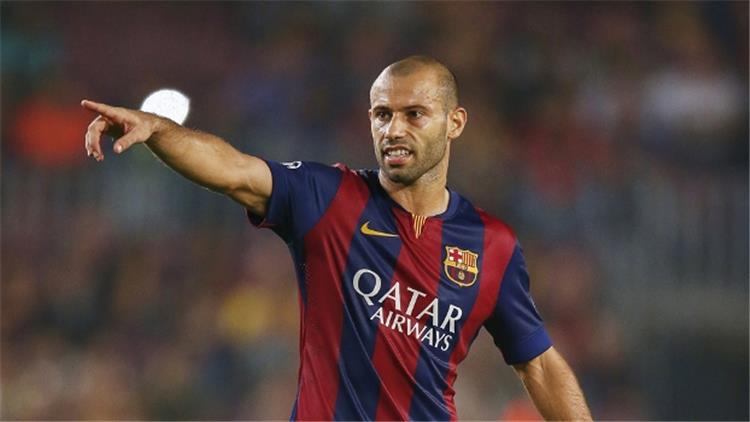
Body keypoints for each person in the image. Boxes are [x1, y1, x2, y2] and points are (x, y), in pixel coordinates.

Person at [82, 55, 592, 421]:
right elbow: (234, 170)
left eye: (414, 114)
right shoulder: (328, 197)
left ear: (454, 122)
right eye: (382, 115)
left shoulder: (491, 244)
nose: (394, 129)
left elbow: (539, 364)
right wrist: (160, 130)